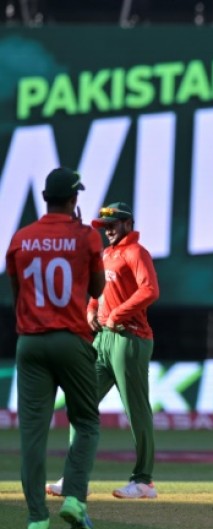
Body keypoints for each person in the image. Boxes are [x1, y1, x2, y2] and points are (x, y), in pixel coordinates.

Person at [7, 167, 105, 529]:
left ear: (45, 198)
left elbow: (19, 297)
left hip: (30, 342)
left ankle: (36, 519)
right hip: (71, 338)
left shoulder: (21, 238)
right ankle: (75, 499)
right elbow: (97, 290)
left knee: (32, 434)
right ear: (74, 199)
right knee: (86, 421)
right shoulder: (87, 237)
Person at [47, 202, 161, 500]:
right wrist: (91, 309)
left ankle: (144, 481)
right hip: (102, 340)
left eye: (114, 224)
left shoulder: (137, 252)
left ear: (128, 223)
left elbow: (150, 290)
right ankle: (74, 479)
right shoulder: (106, 255)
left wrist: (117, 314)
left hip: (130, 338)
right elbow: (98, 291)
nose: (108, 229)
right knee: (79, 403)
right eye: (104, 225)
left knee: (136, 410)